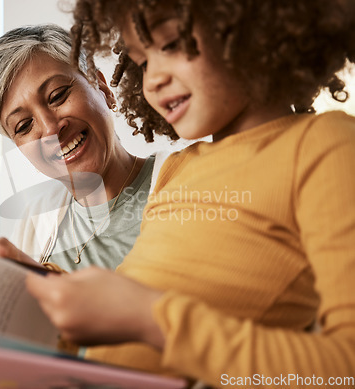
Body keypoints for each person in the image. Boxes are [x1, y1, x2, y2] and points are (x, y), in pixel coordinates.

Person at [25, 1, 355, 387]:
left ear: (249, 25)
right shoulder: (179, 168)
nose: (153, 81)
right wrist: (30, 284)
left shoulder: (324, 146)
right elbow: (121, 332)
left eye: (170, 44)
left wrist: (149, 318)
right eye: (142, 62)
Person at [0, 24, 170, 272]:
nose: (50, 130)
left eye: (57, 96)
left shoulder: (186, 185)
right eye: (24, 126)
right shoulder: (33, 225)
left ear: (102, 87)